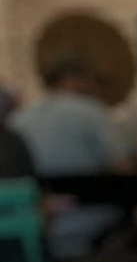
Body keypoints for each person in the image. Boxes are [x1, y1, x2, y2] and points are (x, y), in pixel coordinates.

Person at [13, 52, 129, 180]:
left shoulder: (20, 118)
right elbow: (120, 165)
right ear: (72, 79)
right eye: (89, 79)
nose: (94, 86)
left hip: (36, 196)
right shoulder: (91, 112)